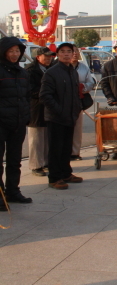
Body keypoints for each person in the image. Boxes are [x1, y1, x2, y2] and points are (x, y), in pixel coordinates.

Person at [40, 42, 83, 190]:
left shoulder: (73, 71)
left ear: (73, 54)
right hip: (56, 118)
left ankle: (66, 173)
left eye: (69, 51)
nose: (66, 54)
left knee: (66, 148)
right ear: (57, 54)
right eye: (63, 51)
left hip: (70, 117)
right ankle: (54, 177)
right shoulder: (51, 72)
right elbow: (45, 96)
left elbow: (76, 95)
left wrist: (76, 109)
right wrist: (59, 111)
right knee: (55, 149)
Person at [0, 37, 32, 208]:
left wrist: (26, 116)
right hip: (1, 123)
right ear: (4, 52)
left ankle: (13, 191)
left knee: (14, 160)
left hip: (18, 123)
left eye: (17, 51)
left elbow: (27, 97)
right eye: (11, 51)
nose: (14, 54)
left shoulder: (22, 72)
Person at [27, 47, 55, 176]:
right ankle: (36, 165)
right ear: (38, 57)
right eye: (46, 56)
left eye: (50, 56)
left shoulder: (52, 69)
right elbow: (29, 89)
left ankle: (47, 162)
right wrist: (44, 94)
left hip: (49, 107)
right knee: (36, 138)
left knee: (47, 136)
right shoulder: (30, 70)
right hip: (36, 107)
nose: (49, 58)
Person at [71, 47, 95, 160]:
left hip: (78, 101)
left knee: (77, 128)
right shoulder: (59, 67)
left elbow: (90, 82)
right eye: (72, 51)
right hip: (63, 103)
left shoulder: (84, 68)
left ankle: (75, 153)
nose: (75, 54)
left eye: (76, 51)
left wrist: (82, 88)